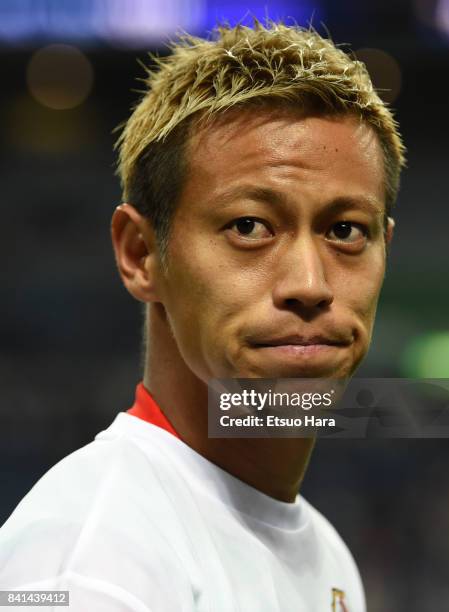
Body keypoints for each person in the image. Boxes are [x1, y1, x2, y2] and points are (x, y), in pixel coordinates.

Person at [0, 21, 405, 611]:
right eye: (249, 226)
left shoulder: (327, 556)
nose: (310, 285)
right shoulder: (90, 563)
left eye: (346, 231)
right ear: (141, 254)